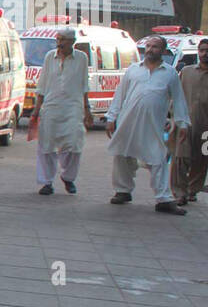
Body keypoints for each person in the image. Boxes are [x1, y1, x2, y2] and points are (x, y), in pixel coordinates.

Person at [105, 35, 191, 214]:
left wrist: (182, 123)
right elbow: (119, 95)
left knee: (157, 157)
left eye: (155, 47)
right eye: (148, 46)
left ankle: (163, 198)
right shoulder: (133, 70)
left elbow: (179, 99)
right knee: (122, 154)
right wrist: (111, 117)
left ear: (163, 51)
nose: (151, 49)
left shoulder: (170, 73)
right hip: (128, 121)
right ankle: (123, 191)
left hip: (153, 123)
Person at [30, 28, 92, 195]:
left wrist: (88, 110)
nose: (60, 43)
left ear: (72, 42)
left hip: (73, 107)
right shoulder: (50, 56)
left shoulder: (82, 58)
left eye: (63, 39)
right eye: (58, 39)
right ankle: (46, 182)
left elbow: (85, 86)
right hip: (51, 107)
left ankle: (68, 177)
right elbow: (42, 85)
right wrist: (36, 111)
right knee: (46, 146)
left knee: (74, 145)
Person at [171, 37, 208, 204]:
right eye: (202, 50)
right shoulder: (186, 71)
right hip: (184, 124)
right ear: (198, 52)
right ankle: (179, 193)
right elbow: (177, 95)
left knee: (204, 158)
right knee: (180, 158)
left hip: (207, 124)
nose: (204, 53)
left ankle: (192, 190)